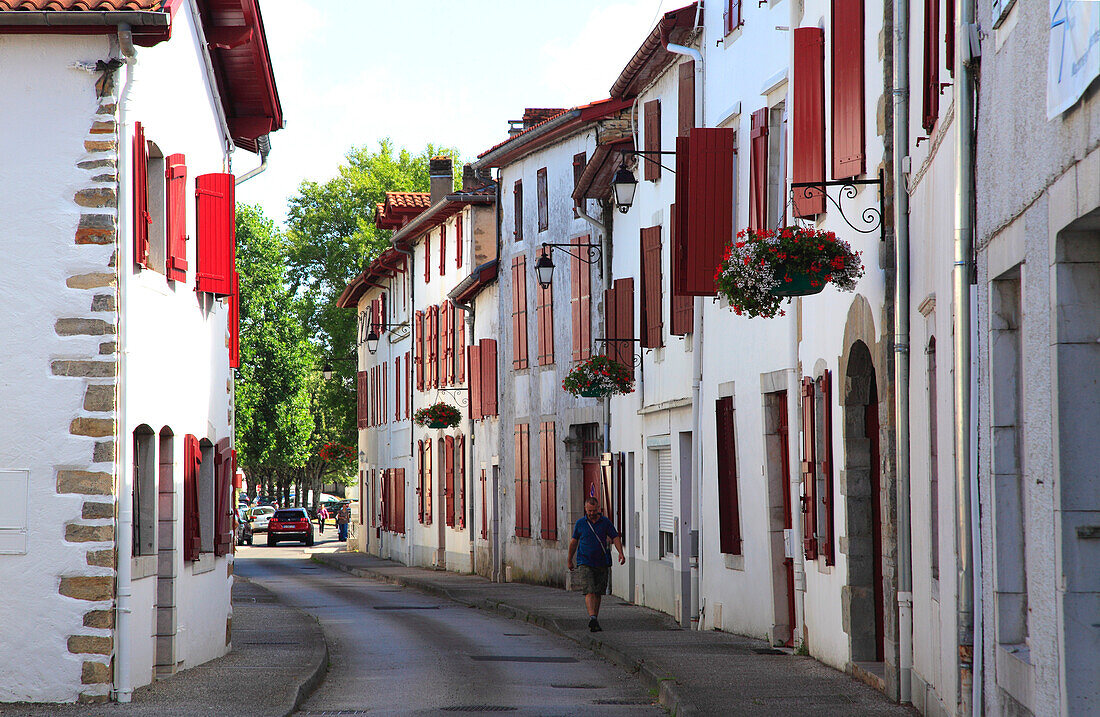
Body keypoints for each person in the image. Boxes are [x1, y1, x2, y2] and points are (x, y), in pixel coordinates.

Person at [567, 496, 625, 632]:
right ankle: (592, 617)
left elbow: (615, 537)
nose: (592, 513)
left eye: (594, 510)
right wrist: (570, 559)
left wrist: (621, 553)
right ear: (585, 509)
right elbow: (574, 542)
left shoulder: (605, 522)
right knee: (589, 590)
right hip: (585, 561)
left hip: (602, 562)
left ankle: (595, 618)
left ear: (598, 509)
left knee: (598, 592)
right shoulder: (581, 523)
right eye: (589, 511)